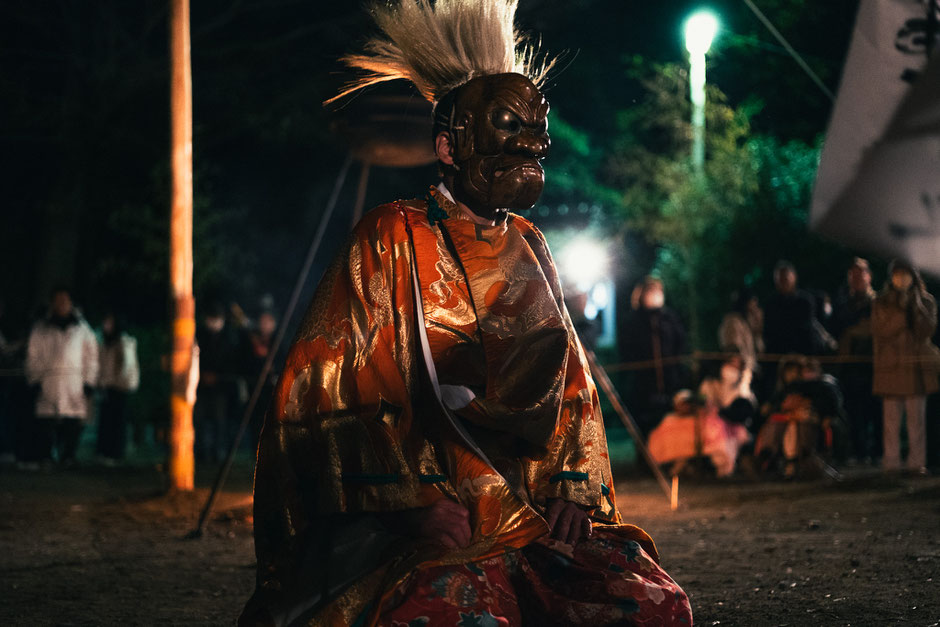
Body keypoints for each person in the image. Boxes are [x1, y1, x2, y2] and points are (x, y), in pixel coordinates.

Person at [240, 2, 691, 625]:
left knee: (650, 606)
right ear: (449, 145)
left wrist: (570, 490)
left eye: (536, 137)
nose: (529, 152)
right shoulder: (390, 237)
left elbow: (570, 386)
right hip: (435, 512)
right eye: (507, 134)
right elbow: (340, 388)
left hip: (530, 508)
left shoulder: (530, 244)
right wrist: (410, 504)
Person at [872, 259, 938, 474]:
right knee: (891, 422)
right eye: (897, 274)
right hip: (890, 368)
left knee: (916, 421)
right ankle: (891, 463)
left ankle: (916, 463)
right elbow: (881, 331)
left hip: (916, 369)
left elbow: (926, 330)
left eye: (906, 273)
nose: (902, 278)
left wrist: (915, 306)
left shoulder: (926, 302)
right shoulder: (881, 302)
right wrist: (901, 311)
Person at [24, 287, 98, 466]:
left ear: (70, 303)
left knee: (73, 420)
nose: (61, 304)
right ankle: (46, 455)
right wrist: (34, 379)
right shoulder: (41, 328)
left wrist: (89, 381)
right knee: (46, 421)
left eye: (64, 300)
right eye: (57, 300)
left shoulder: (82, 329)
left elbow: (91, 357)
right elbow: (33, 356)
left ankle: (68, 455)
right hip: (49, 381)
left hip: (74, 381)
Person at [649, 354, 754, 477]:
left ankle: (722, 469)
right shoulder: (709, 383)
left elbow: (742, 410)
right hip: (703, 417)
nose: (731, 368)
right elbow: (700, 400)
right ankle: (676, 463)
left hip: (728, 423)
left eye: (736, 364)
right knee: (671, 424)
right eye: (730, 363)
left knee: (716, 431)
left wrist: (722, 411)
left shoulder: (743, 386)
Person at [619, 276, 689, 434]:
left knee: (670, 427)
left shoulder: (669, 318)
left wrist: (678, 371)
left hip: (669, 381)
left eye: (657, 291)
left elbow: (680, 344)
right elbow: (627, 351)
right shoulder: (633, 321)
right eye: (650, 291)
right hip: (643, 385)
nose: (654, 295)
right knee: (645, 428)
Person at [831, 257, 880, 464]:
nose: (857, 279)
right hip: (850, 366)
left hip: (874, 364)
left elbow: (874, 328)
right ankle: (859, 453)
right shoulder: (843, 303)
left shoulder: (877, 302)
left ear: (869, 277)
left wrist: (853, 330)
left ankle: (878, 453)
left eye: (861, 274)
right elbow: (836, 328)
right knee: (853, 412)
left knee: (876, 412)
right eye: (853, 275)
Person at [194, 302, 239, 463]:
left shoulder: (229, 338)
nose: (213, 322)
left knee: (219, 420)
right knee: (199, 420)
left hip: (221, 386)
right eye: (211, 318)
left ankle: (218, 451)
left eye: (216, 319)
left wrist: (218, 377)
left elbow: (232, 362)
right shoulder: (199, 335)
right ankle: (201, 452)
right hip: (201, 384)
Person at [95, 312, 140, 463]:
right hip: (107, 386)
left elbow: (126, 366)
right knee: (106, 421)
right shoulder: (104, 341)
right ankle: (105, 452)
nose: (106, 326)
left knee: (117, 422)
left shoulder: (123, 341)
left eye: (109, 322)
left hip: (119, 387)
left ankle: (115, 453)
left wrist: (118, 381)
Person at [718, 287, 764, 376]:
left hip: (751, 368)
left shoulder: (748, 322)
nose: (755, 306)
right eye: (752, 302)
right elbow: (733, 347)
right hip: (739, 370)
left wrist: (758, 329)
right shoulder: (733, 321)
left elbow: (760, 350)